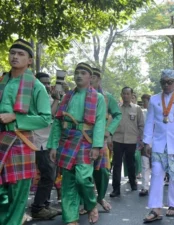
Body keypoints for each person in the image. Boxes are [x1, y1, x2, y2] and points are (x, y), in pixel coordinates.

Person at [0, 39, 52, 225]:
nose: (15, 56)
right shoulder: (2, 81)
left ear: (30, 60)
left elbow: (46, 118)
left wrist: (16, 117)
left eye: (21, 54)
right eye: (12, 52)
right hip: (1, 141)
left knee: (18, 194)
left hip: (21, 142)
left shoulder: (36, 86)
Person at [48, 62, 106, 225]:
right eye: (77, 73)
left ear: (90, 77)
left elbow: (100, 122)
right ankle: (71, 219)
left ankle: (90, 204)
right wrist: (53, 145)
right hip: (66, 140)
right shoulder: (67, 97)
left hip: (85, 141)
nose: (79, 76)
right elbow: (58, 121)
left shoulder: (98, 98)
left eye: (83, 73)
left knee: (83, 177)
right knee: (68, 182)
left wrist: (96, 146)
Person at [142, 69, 174, 223]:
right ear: (160, 83)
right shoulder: (154, 99)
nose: (167, 85)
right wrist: (147, 142)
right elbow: (149, 122)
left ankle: (173, 204)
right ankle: (155, 208)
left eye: (170, 82)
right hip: (159, 144)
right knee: (157, 173)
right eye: (164, 82)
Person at [89, 68, 122, 211]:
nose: (91, 79)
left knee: (102, 171)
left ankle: (100, 198)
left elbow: (117, 115)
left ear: (99, 79)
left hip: (101, 139)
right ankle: (86, 202)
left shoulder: (107, 97)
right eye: (89, 76)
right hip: (82, 138)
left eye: (95, 76)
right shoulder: (78, 95)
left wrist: (109, 131)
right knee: (84, 172)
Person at [31, 72, 62, 220]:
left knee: (51, 175)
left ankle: (45, 204)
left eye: (48, 82)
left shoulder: (49, 97)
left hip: (49, 142)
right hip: (39, 142)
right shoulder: (35, 97)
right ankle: (37, 208)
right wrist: (56, 100)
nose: (47, 85)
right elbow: (48, 116)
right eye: (43, 83)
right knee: (48, 175)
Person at [110, 87, 144, 197]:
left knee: (131, 163)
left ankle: (133, 182)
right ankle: (116, 189)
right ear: (121, 94)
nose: (125, 96)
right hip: (117, 140)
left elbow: (141, 125)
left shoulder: (137, 109)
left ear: (131, 95)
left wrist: (141, 140)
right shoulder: (116, 109)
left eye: (128, 94)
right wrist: (109, 139)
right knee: (117, 165)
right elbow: (110, 125)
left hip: (131, 140)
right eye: (124, 94)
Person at [140, 93, 152, 196]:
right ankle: (144, 187)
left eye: (145, 101)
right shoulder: (142, 113)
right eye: (142, 101)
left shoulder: (158, 113)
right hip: (144, 142)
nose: (144, 103)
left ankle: (156, 186)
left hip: (156, 143)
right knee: (145, 165)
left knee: (156, 166)